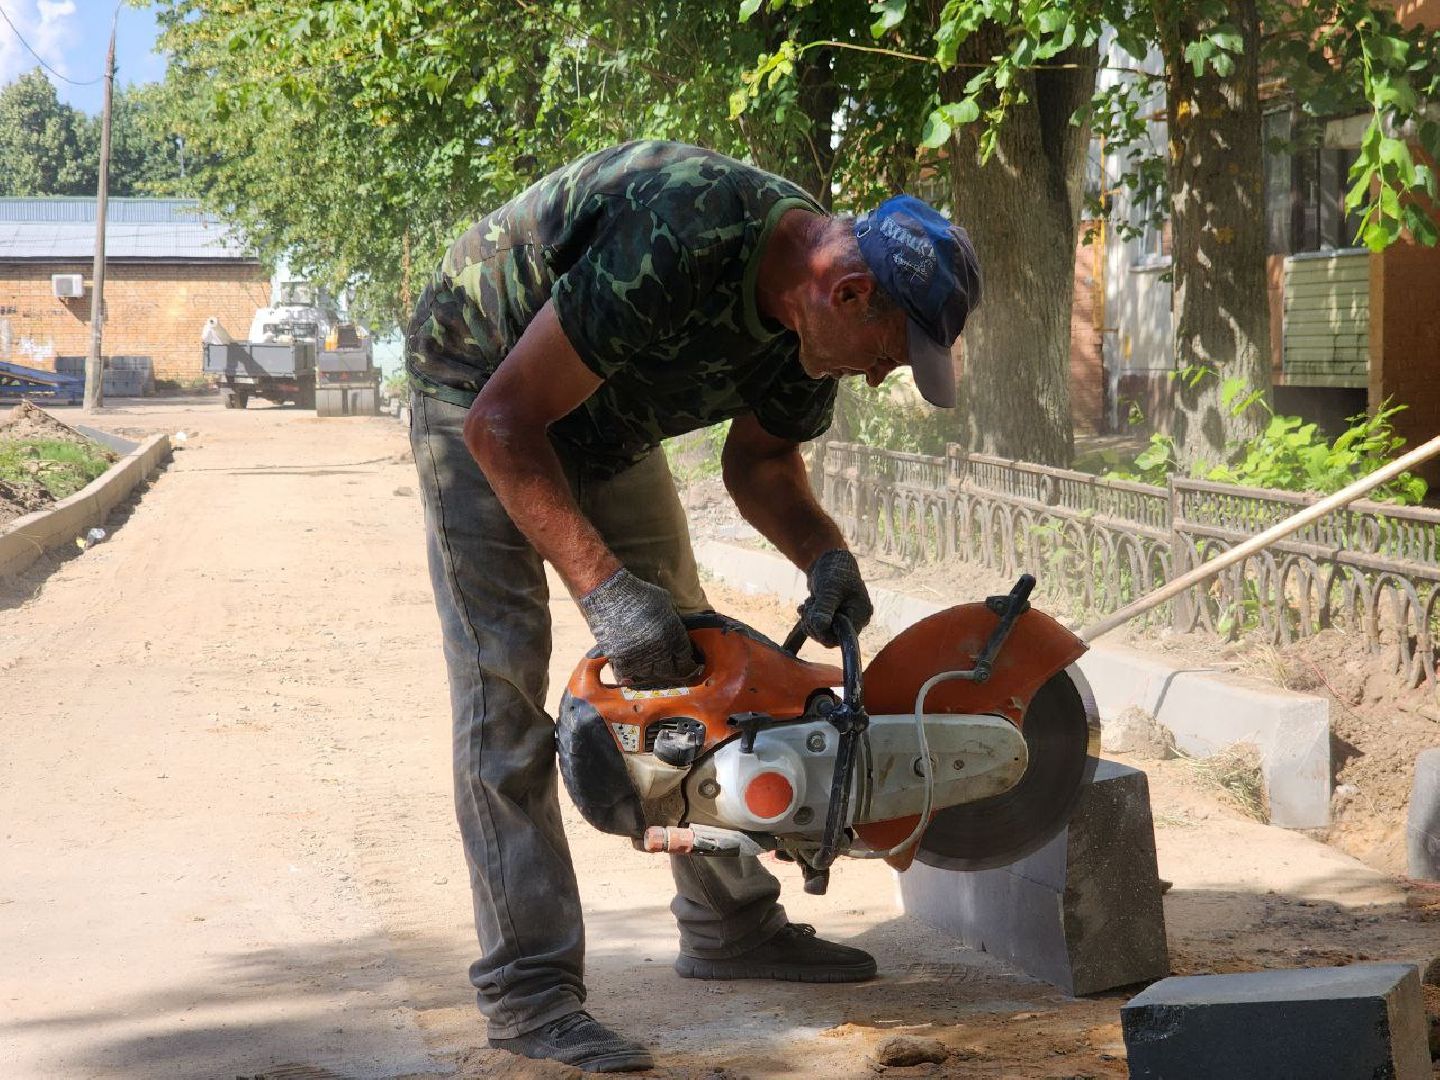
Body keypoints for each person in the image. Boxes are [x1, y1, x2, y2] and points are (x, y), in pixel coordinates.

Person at [404, 140, 981, 1073]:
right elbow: (503, 424)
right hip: (480, 389)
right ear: (847, 292)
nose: (879, 377)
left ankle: (729, 927)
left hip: (607, 415)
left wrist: (825, 556)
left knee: (698, 671)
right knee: (504, 692)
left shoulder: (809, 327)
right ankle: (529, 993)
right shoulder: (681, 233)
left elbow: (760, 466)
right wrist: (605, 595)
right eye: (887, 354)